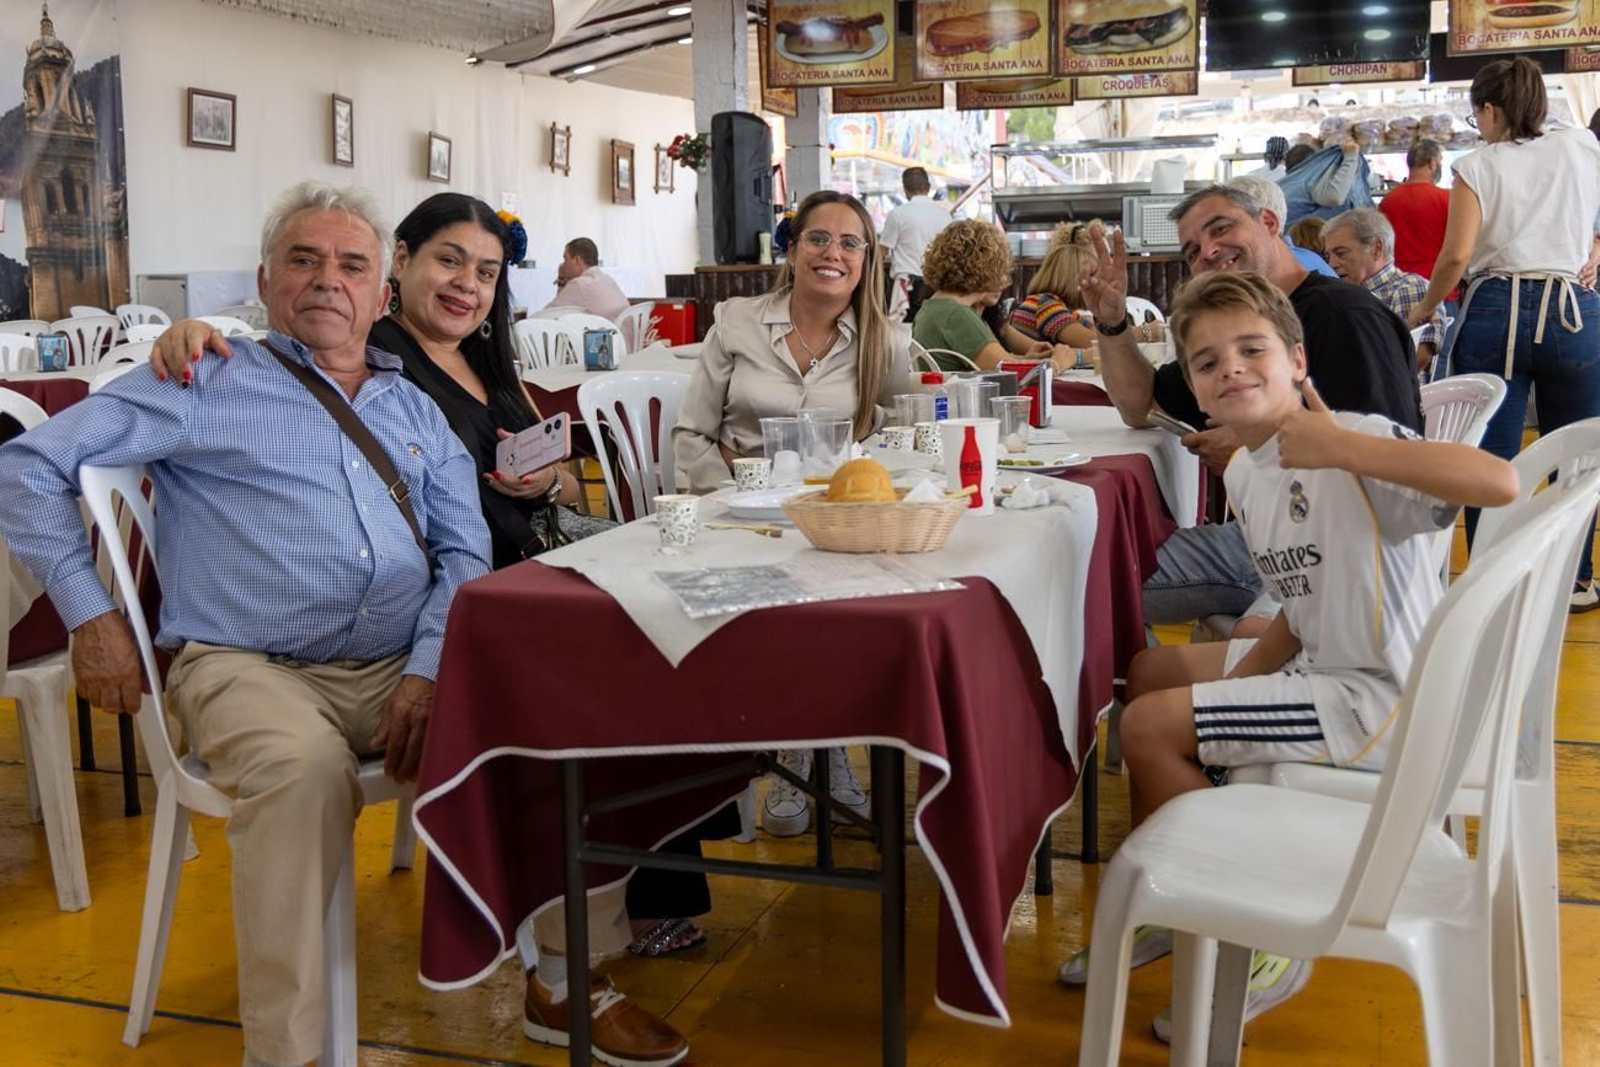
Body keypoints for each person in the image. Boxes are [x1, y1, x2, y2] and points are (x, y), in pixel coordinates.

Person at [145, 193, 696, 1066]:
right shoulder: (343, 359)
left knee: (610, 684)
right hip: (367, 630)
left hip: (481, 597)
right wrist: (184, 335)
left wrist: (542, 490)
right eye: (447, 260)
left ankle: (580, 956)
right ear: (398, 267)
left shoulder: (469, 365)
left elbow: (490, 522)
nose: (466, 285)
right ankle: (565, 961)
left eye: (485, 271)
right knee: (578, 686)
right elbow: (51, 456)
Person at [0, 181, 494, 1067]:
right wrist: (92, 613)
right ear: (265, 283)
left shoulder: (416, 408)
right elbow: (25, 466)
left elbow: (465, 555)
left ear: (382, 295)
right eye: (303, 260)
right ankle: (287, 1054)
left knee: (538, 724)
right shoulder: (203, 377)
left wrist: (428, 667)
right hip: (247, 665)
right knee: (303, 770)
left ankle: (566, 980)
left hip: (396, 664)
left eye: (351, 265)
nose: (326, 281)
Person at [1057, 270, 1518, 1041]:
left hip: (1385, 702)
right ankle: (1186, 898)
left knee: (1146, 727)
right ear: (1196, 394)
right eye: (1206, 362)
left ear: (1297, 362)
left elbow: (1496, 480)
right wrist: (1228, 697)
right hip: (1329, 681)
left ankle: (1244, 924)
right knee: (1158, 711)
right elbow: (1296, 616)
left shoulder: (1355, 437)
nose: (1229, 367)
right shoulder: (1251, 470)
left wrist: (1341, 446)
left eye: (1250, 349)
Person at [674, 189, 912, 836]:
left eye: (849, 243)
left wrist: (866, 477)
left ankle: (820, 748)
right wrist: (729, 493)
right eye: (818, 238)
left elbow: (907, 438)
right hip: (737, 512)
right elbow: (693, 434)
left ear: (867, 260)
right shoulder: (739, 321)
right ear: (792, 245)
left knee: (849, 597)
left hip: (836, 519)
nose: (832, 252)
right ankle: (802, 751)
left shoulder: (884, 342)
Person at [1087, 181, 1422, 630]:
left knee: (1088, 585)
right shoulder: (1234, 334)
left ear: (1269, 222)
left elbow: (1392, 477)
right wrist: (1111, 323)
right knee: (1092, 565)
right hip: (1263, 532)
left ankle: (1164, 692)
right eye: (1192, 250)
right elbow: (1139, 406)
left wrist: (1257, 452)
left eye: (1221, 228)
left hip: (1328, 549)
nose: (1208, 251)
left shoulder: (1343, 318)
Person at [1404, 57, 1600, 610]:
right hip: (1574, 310)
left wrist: (1423, 308)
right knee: (1579, 454)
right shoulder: (1583, 146)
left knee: (1490, 455)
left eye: (1476, 117)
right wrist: (1592, 252)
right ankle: (1576, 581)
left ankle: (1493, 580)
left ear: (1490, 109)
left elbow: (1457, 255)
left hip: (1496, 308)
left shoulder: (1478, 166)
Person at [912, 220, 1073, 372]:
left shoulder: (932, 308)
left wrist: (1025, 359)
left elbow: (992, 364)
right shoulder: (957, 315)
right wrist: (1058, 363)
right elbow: (1013, 375)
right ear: (985, 268)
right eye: (1000, 268)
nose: (1004, 281)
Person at [1323, 207, 1443, 374]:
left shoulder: (1407, 288)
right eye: (1328, 256)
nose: (1332, 264)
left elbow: (1414, 361)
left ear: (1376, 249)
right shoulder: (1345, 293)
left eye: (1341, 253)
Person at [1009, 222, 1162, 349]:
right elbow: (1091, 342)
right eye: (1094, 274)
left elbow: (1097, 333)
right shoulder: (1045, 304)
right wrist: (1146, 332)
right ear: (1075, 277)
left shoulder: (1063, 309)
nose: (1099, 280)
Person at [879, 166, 951, 322]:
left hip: (909, 288)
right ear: (928, 187)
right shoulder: (945, 216)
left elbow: (881, 252)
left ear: (905, 189)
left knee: (908, 334)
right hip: (938, 286)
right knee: (932, 329)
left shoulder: (898, 214)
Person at [1229, 176, 1336, 278]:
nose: (1212, 247)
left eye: (1223, 227)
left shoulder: (1276, 274)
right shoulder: (1311, 260)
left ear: (1268, 224)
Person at [1377, 138, 1452, 283]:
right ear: (1432, 163)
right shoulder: (1446, 199)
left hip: (1399, 282)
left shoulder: (1388, 201)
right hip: (1438, 283)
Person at [1279, 136, 1375, 226]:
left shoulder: (1284, 183)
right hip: (1293, 234)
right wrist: (1350, 158)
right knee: (1348, 206)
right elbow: (1334, 198)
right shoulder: (1309, 180)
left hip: (1281, 233)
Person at [540, 237, 629, 321]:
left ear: (577, 260)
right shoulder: (608, 280)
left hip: (608, 336)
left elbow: (546, 316)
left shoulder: (579, 285)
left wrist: (561, 279)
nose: (563, 265)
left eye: (565, 259)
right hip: (624, 335)